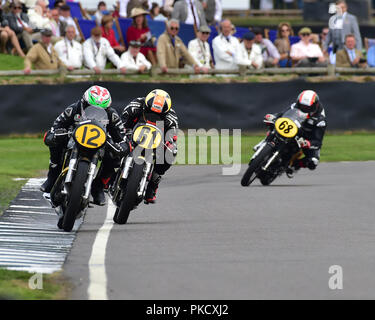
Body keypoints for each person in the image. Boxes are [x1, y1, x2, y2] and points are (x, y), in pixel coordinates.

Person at [40, 85, 129, 206]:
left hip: (99, 142)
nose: (96, 111)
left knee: (115, 159)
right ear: (83, 102)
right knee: (56, 143)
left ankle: (98, 187)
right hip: (75, 138)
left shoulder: (112, 115)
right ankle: (52, 178)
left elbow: (122, 137)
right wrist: (55, 134)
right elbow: (56, 125)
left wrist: (122, 146)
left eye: (102, 109)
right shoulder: (73, 108)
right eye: (91, 107)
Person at [121, 89, 178, 203]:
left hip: (155, 141)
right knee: (114, 145)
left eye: (158, 114)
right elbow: (123, 121)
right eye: (150, 111)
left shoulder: (171, 117)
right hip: (133, 134)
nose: (154, 115)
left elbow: (172, 136)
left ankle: (152, 186)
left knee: (171, 151)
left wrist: (168, 143)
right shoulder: (136, 104)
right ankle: (105, 179)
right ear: (146, 105)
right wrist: (125, 132)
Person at [262, 90, 327, 171]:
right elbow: (282, 114)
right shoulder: (295, 106)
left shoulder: (320, 120)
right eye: (302, 106)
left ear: (314, 106)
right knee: (273, 125)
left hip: (306, 137)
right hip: (292, 128)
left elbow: (318, 141)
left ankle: (293, 165)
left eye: (307, 107)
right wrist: (273, 117)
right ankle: (263, 143)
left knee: (313, 162)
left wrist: (307, 143)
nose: (304, 108)